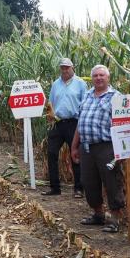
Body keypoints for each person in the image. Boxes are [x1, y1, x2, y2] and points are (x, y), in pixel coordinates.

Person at [70, 64, 125, 233]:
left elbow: (124, 124)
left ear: (108, 78)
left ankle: (115, 219)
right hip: (86, 147)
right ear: (92, 78)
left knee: (112, 182)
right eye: (95, 76)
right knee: (88, 181)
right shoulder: (87, 95)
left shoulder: (117, 97)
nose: (99, 78)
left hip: (107, 146)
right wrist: (74, 146)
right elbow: (81, 122)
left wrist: (121, 149)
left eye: (102, 75)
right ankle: (98, 214)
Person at [43, 57, 87, 197]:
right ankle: (55, 188)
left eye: (67, 67)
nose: (64, 70)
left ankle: (79, 189)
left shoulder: (80, 84)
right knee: (51, 153)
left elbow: (85, 104)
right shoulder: (56, 84)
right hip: (57, 122)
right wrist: (50, 114)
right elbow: (51, 102)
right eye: (62, 67)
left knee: (76, 155)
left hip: (74, 123)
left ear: (72, 67)